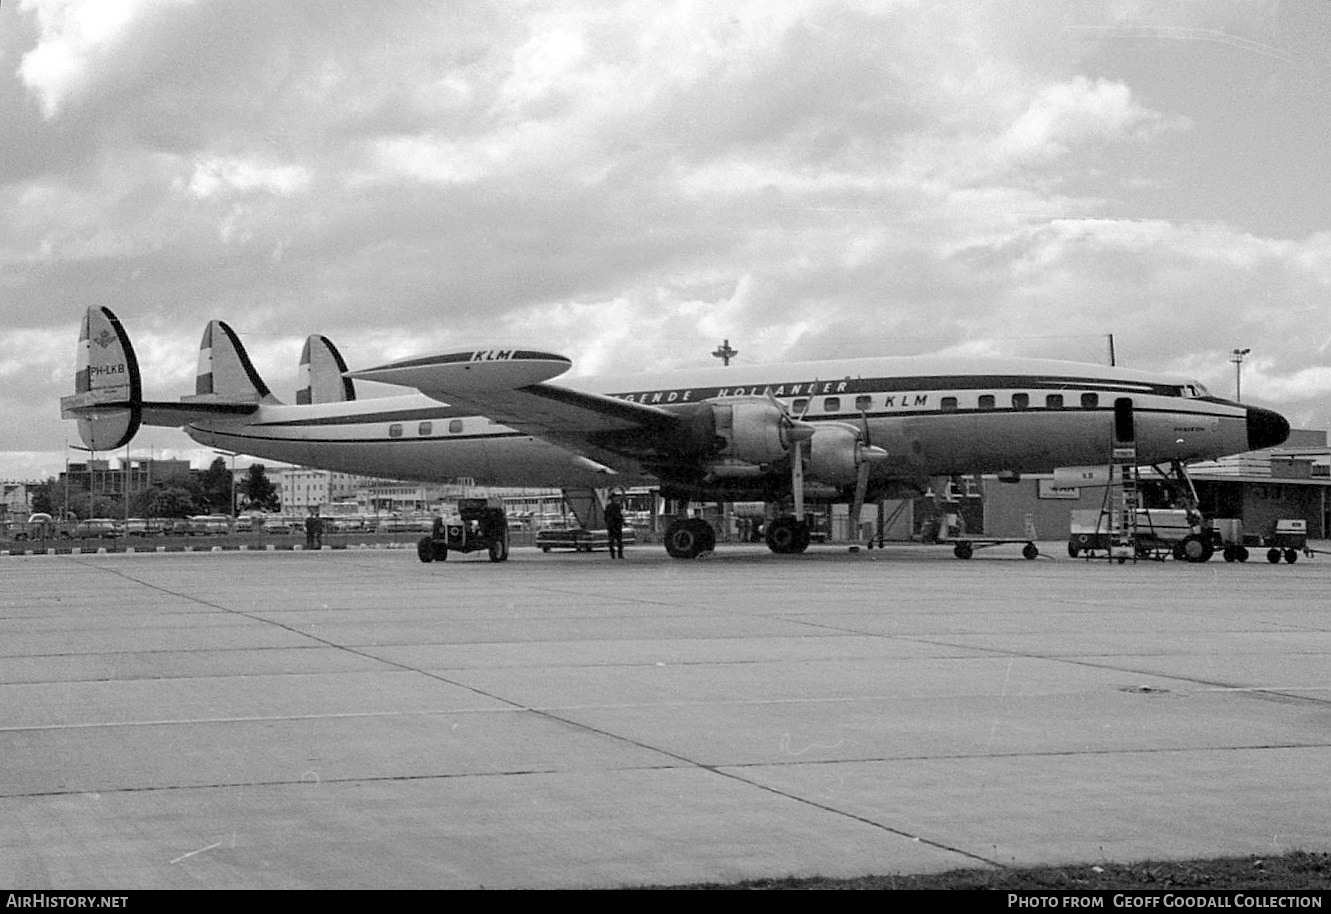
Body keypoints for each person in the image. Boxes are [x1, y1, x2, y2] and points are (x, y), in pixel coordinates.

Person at [604, 493, 625, 559]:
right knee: (618, 541)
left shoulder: (608, 506)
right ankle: (619, 554)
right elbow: (618, 515)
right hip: (616, 525)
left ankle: (613, 554)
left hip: (611, 526)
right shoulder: (616, 506)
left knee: (612, 541)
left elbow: (606, 516)